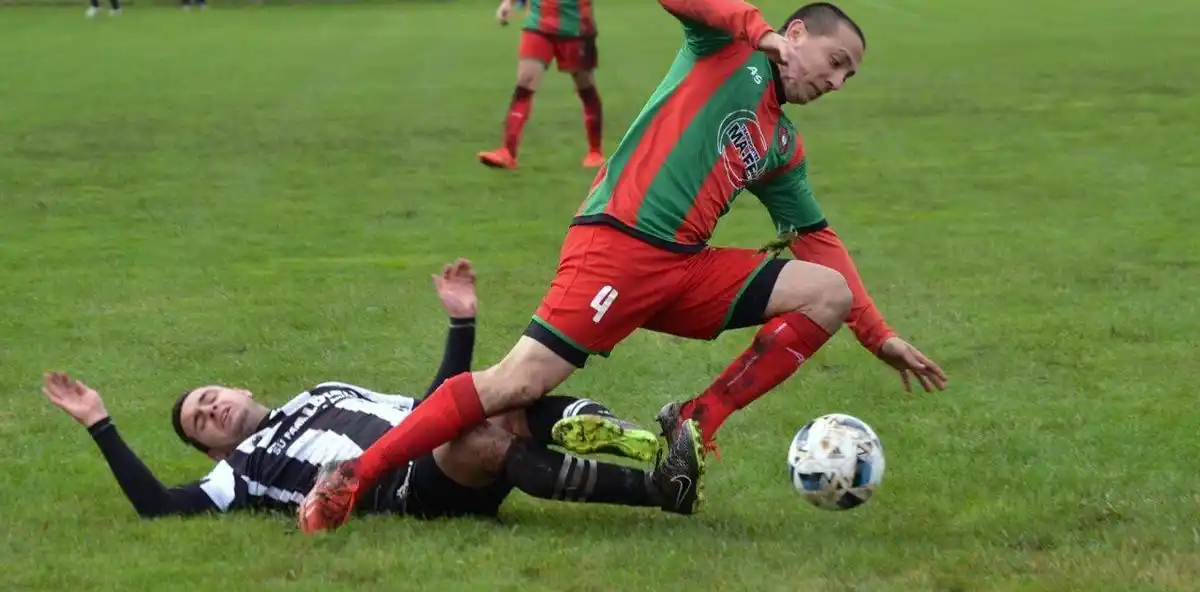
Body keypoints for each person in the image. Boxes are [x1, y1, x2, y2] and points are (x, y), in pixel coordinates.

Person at [299, 0, 947, 534]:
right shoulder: (725, 49)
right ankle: (353, 479)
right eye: (836, 63)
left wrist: (879, 335)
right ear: (798, 34)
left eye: (848, 78)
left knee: (826, 292)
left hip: (684, 269)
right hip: (618, 247)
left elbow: (818, 237)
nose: (835, 83)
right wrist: (757, 28)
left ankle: (695, 422)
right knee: (516, 382)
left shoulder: (781, 143)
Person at [42, 260, 698, 523]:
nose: (211, 408)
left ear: (239, 386)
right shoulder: (237, 475)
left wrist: (461, 322)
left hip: (429, 435)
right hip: (405, 487)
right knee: (476, 436)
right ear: (211, 449)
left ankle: (649, 446)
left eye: (209, 395)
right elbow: (156, 505)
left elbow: (436, 402)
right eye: (201, 421)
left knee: (502, 395)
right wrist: (99, 421)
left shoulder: (321, 389)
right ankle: (655, 489)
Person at [476, 0, 605, 170]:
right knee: (525, 81)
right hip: (538, 23)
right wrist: (509, 3)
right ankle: (507, 152)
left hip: (576, 26)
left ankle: (595, 151)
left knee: (585, 85)